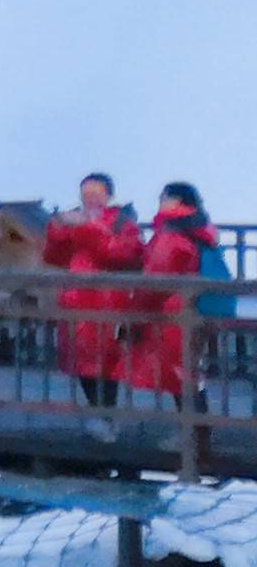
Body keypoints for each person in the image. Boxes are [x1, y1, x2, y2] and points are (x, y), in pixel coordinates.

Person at [43, 174, 145, 407]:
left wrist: (88, 228)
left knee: (106, 364)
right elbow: (53, 258)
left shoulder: (122, 222)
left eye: (96, 193)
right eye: (85, 194)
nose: (90, 199)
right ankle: (99, 415)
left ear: (109, 196)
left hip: (107, 301)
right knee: (80, 363)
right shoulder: (73, 218)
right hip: (74, 300)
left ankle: (106, 416)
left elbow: (122, 255)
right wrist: (57, 232)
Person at [126, 184, 216, 402]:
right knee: (187, 372)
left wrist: (135, 317)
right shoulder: (195, 227)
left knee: (179, 375)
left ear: (176, 201)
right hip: (193, 306)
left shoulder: (170, 234)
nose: (160, 201)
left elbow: (154, 282)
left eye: (164, 198)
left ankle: (195, 433)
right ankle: (197, 432)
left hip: (170, 313)